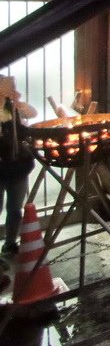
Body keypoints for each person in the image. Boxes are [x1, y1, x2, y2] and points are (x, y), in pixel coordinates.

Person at [0, 76, 37, 255]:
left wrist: (18, 102)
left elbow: (32, 114)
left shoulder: (13, 106)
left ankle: (10, 243)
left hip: (18, 165)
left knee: (15, 208)